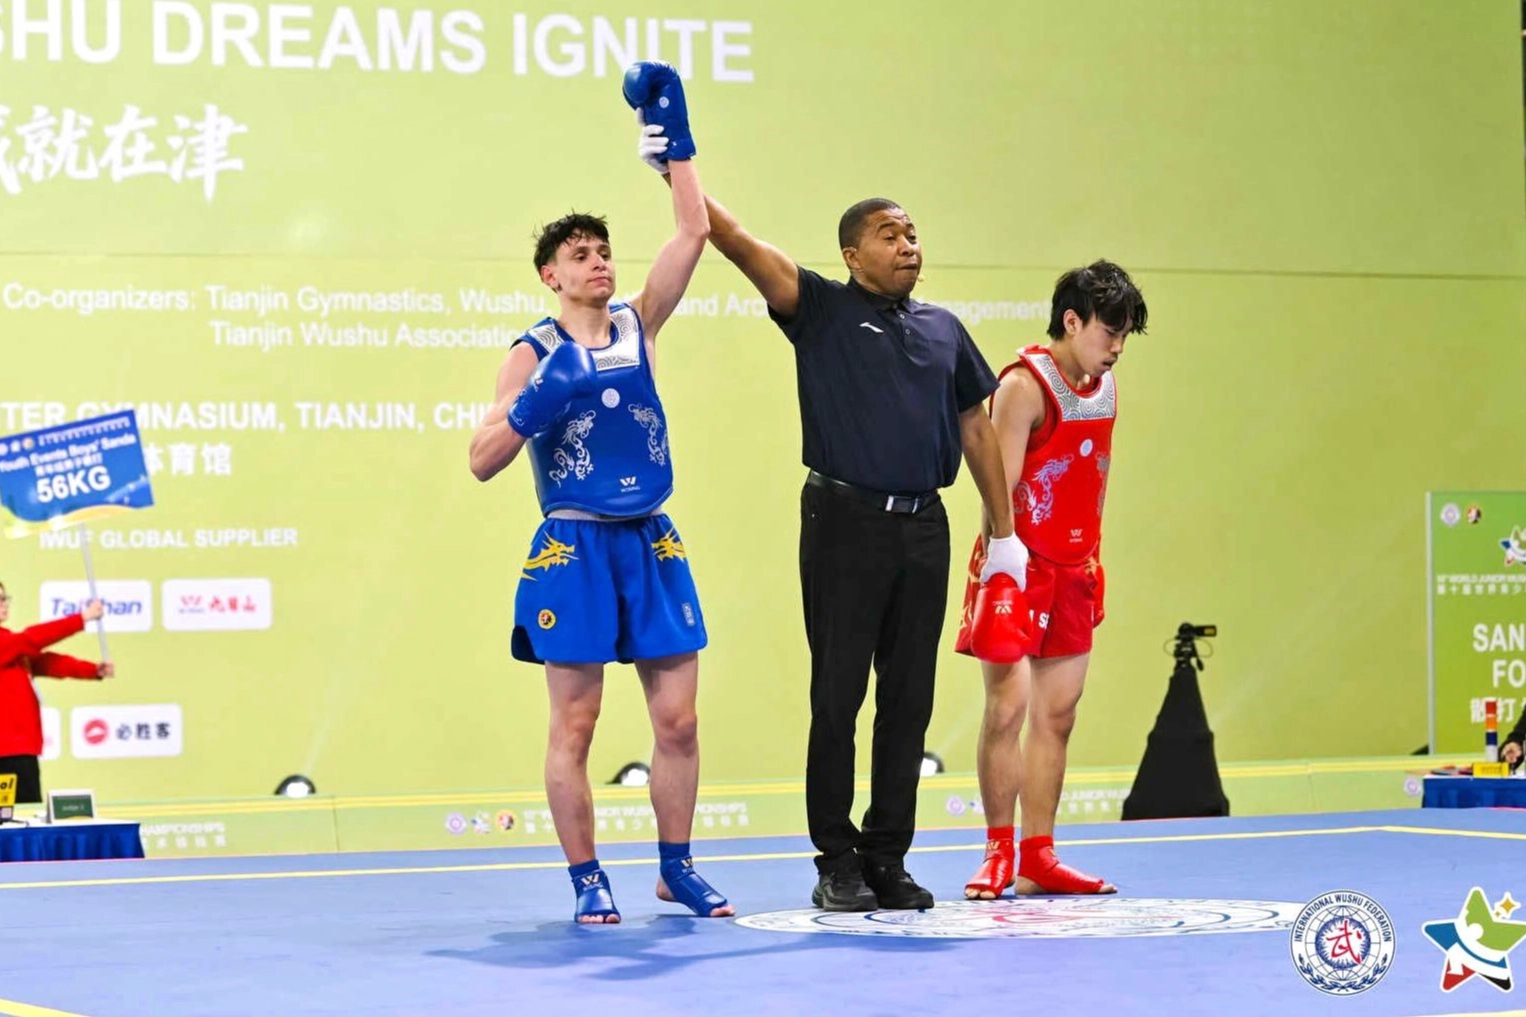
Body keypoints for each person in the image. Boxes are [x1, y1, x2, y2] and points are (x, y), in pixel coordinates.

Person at [697, 188, 1027, 912]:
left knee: (909, 701)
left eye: (912, 233)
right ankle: (837, 860)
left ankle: (887, 856)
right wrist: (677, 171)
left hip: (924, 526)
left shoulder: (944, 329)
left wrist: (1004, 537)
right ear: (852, 255)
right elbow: (738, 240)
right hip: (843, 520)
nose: (908, 245)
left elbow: (976, 428)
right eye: (889, 234)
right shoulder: (821, 309)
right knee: (838, 697)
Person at [467, 61, 730, 925]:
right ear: (550, 275)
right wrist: (537, 402)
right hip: (574, 545)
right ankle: (587, 877)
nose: (599, 262)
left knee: (679, 722)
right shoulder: (532, 352)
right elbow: (481, 458)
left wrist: (675, 142)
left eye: (605, 250)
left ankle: (676, 867)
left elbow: (692, 231)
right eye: (580, 255)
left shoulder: (638, 324)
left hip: (649, 538)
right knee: (575, 727)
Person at [955, 260, 1148, 899]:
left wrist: (1089, 555)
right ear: (1071, 321)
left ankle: (1039, 854)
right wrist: (999, 560)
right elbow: (996, 484)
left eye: (1124, 336)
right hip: (1017, 566)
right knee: (1007, 710)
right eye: (1109, 333)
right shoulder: (1022, 386)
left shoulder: (1107, 386)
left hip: (1074, 569)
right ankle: (997, 851)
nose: (1117, 348)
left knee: (1057, 715)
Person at [0, 582, 112, 805]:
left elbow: (48, 663)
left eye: (4, 598)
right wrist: (82, 618)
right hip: (7, 752)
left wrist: (92, 670)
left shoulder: (10, 642)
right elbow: (31, 639)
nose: (4, 604)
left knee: (20, 816)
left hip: (19, 750)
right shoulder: (10, 643)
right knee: (13, 817)